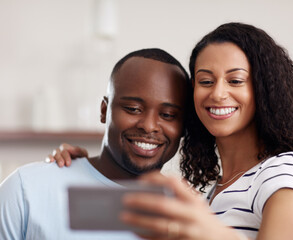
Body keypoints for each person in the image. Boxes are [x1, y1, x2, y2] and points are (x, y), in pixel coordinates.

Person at [50, 22, 293, 240]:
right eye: (206, 81)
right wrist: (86, 168)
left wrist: (208, 230)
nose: (218, 93)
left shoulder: (283, 173)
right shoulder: (213, 192)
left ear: (264, 90)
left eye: (235, 80)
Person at [0, 48, 191, 240]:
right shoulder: (27, 189)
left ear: (183, 127)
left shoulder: (187, 218)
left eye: (168, 115)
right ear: (104, 111)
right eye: (133, 109)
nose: (149, 126)